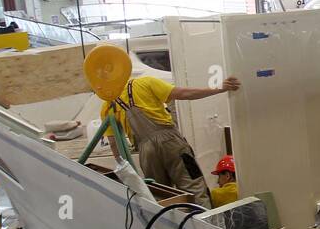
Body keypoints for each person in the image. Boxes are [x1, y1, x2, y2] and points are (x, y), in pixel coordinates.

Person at [102, 74, 239, 207]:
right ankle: (208, 226)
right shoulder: (144, 82)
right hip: (172, 143)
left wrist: (128, 174)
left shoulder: (107, 106)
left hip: (146, 153)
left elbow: (115, 145)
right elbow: (185, 94)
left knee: (162, 197)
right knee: (195, 188)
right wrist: (220, 88)